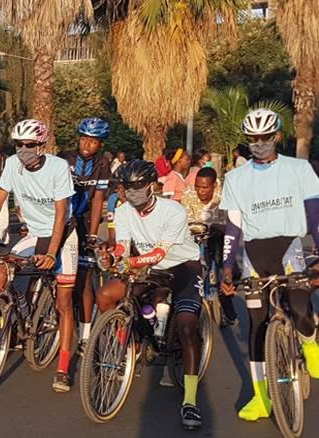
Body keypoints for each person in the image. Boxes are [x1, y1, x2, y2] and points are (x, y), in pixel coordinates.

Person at [219, 108, 319, 422]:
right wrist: (226, 266)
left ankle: (311, 343)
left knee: (301, 311)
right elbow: (233, 226)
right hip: (254, 254)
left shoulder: (299, 169)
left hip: (290, 247)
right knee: (258, 325)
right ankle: (261, 398)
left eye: (264, 137)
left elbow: (315, 215)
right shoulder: (235, 178)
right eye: (252, 139)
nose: (259, 144)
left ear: (276, 136)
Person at [0, 119, 78, 392]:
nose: (23, 150)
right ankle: (11, 324)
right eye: (18, 145)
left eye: (29, 145)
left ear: (41, 146)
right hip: (33, 233)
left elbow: (61, 213)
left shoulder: (57, 167)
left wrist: (52, 253)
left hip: (61, 235)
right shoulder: (12, 166)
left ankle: (63, 367)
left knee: (63, 301)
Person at [95, 160, 205, 430]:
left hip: (183, 267)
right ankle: (128, 344)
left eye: (138, 186)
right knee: (107, 295)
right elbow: (123, 247)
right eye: (127, 187)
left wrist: (128, 263)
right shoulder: (122, 211)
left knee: (187, 326)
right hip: (147, 267)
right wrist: (111, 257)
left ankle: (190, 401)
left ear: (151, 185)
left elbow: (159, 253)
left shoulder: (173, 211)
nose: (132, 192)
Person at [58, 117, 111, 353]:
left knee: (84, 279)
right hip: (60, 218)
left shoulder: (103, 164)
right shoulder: (64, 158)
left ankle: (86, 333)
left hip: (85, 219)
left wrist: (91, 234)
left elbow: (98, 198)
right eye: (83, 139)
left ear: (100, 144)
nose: (86, 145)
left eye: (92, 141)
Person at [180, 167, 237, 326]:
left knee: (229, 272)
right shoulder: (188, 195)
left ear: (214, 186)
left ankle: (229, 309)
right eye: (197, 186)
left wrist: (221, 228)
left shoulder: (224, 197)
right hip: (195, 237)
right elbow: (184, 220)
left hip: (219, 237)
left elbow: (233, 223)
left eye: (205, 187)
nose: (200, 191)